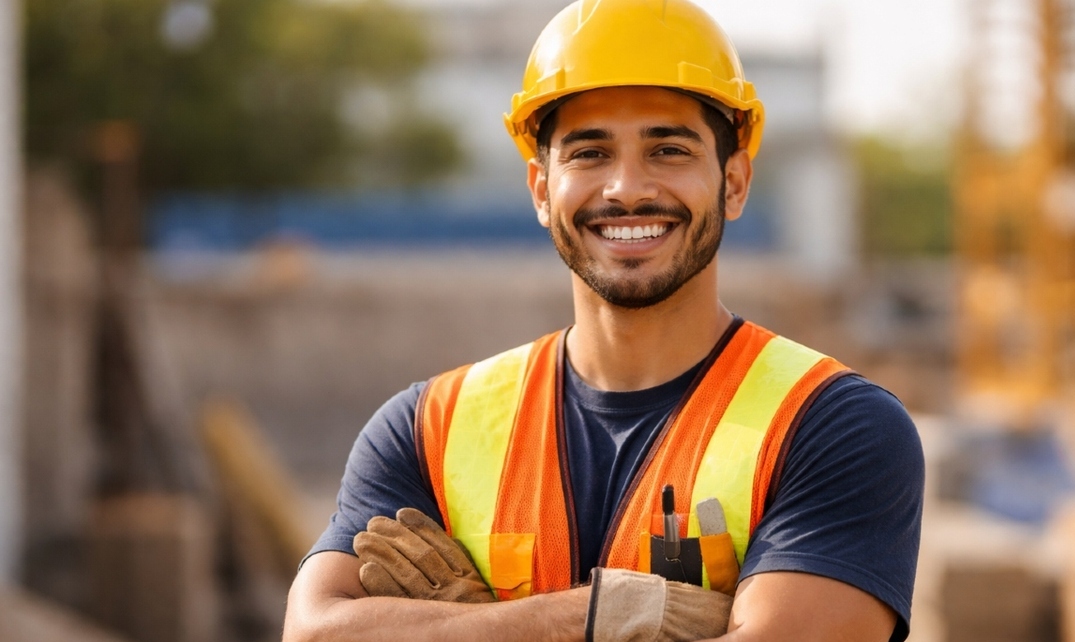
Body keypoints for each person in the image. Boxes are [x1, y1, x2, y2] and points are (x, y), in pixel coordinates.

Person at [282, 0, 923, 640]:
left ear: (734, 182)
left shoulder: (832, 426)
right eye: (589, 153)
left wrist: (470, 628)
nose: (625, 188)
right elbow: (315, 633)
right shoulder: (427, 431)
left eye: (668, 149)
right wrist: (584, 617)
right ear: (541, 189)